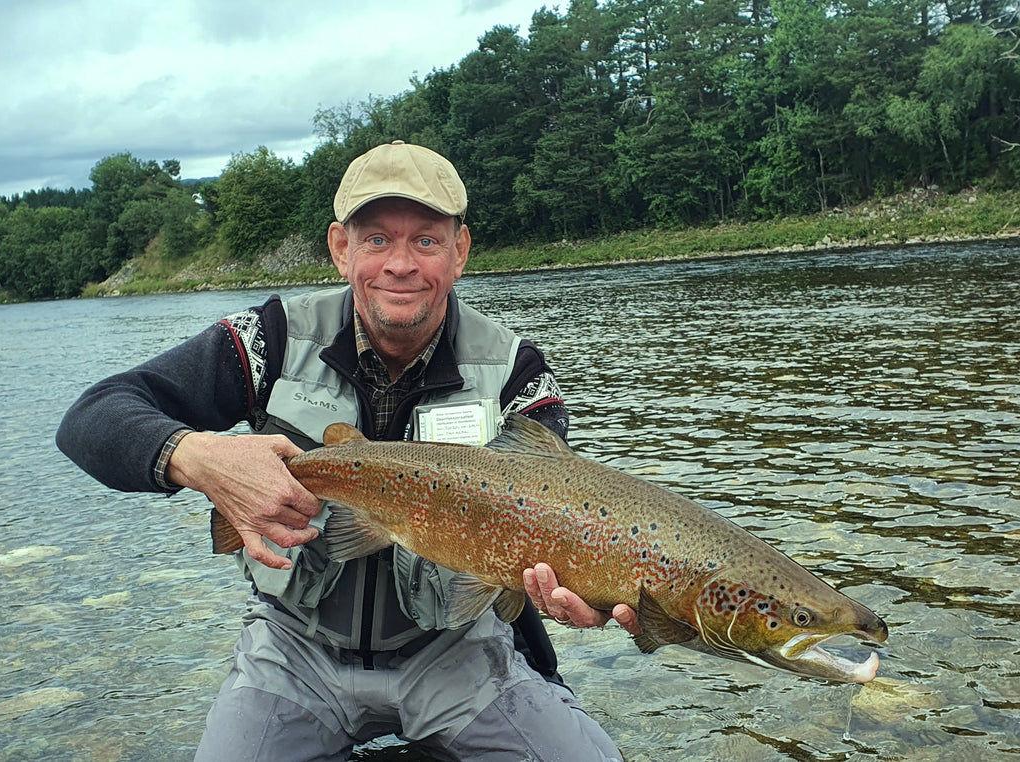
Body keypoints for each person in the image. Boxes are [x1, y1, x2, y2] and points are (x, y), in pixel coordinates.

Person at [57, 140, 638, 761]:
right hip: (295, 652)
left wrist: (587, 589)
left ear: (460, 251)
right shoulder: (270, 338)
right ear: (341, 248)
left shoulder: (516, 372)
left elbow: (558, 518)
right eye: (377, 239)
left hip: (459, 652)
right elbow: (92, 417)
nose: (400, 264)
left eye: (426, 240)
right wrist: (198, 458)